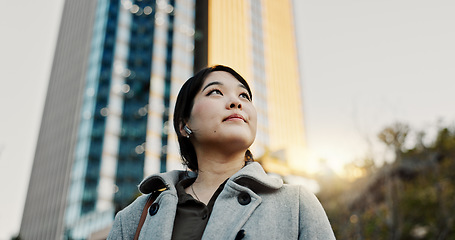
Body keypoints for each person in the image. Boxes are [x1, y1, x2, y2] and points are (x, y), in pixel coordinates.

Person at [107, 65, 335, 239]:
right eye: (216, 92)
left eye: (244, 96)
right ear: (183, 124)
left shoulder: (296, 204)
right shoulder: (132, 218)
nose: (236, 102)